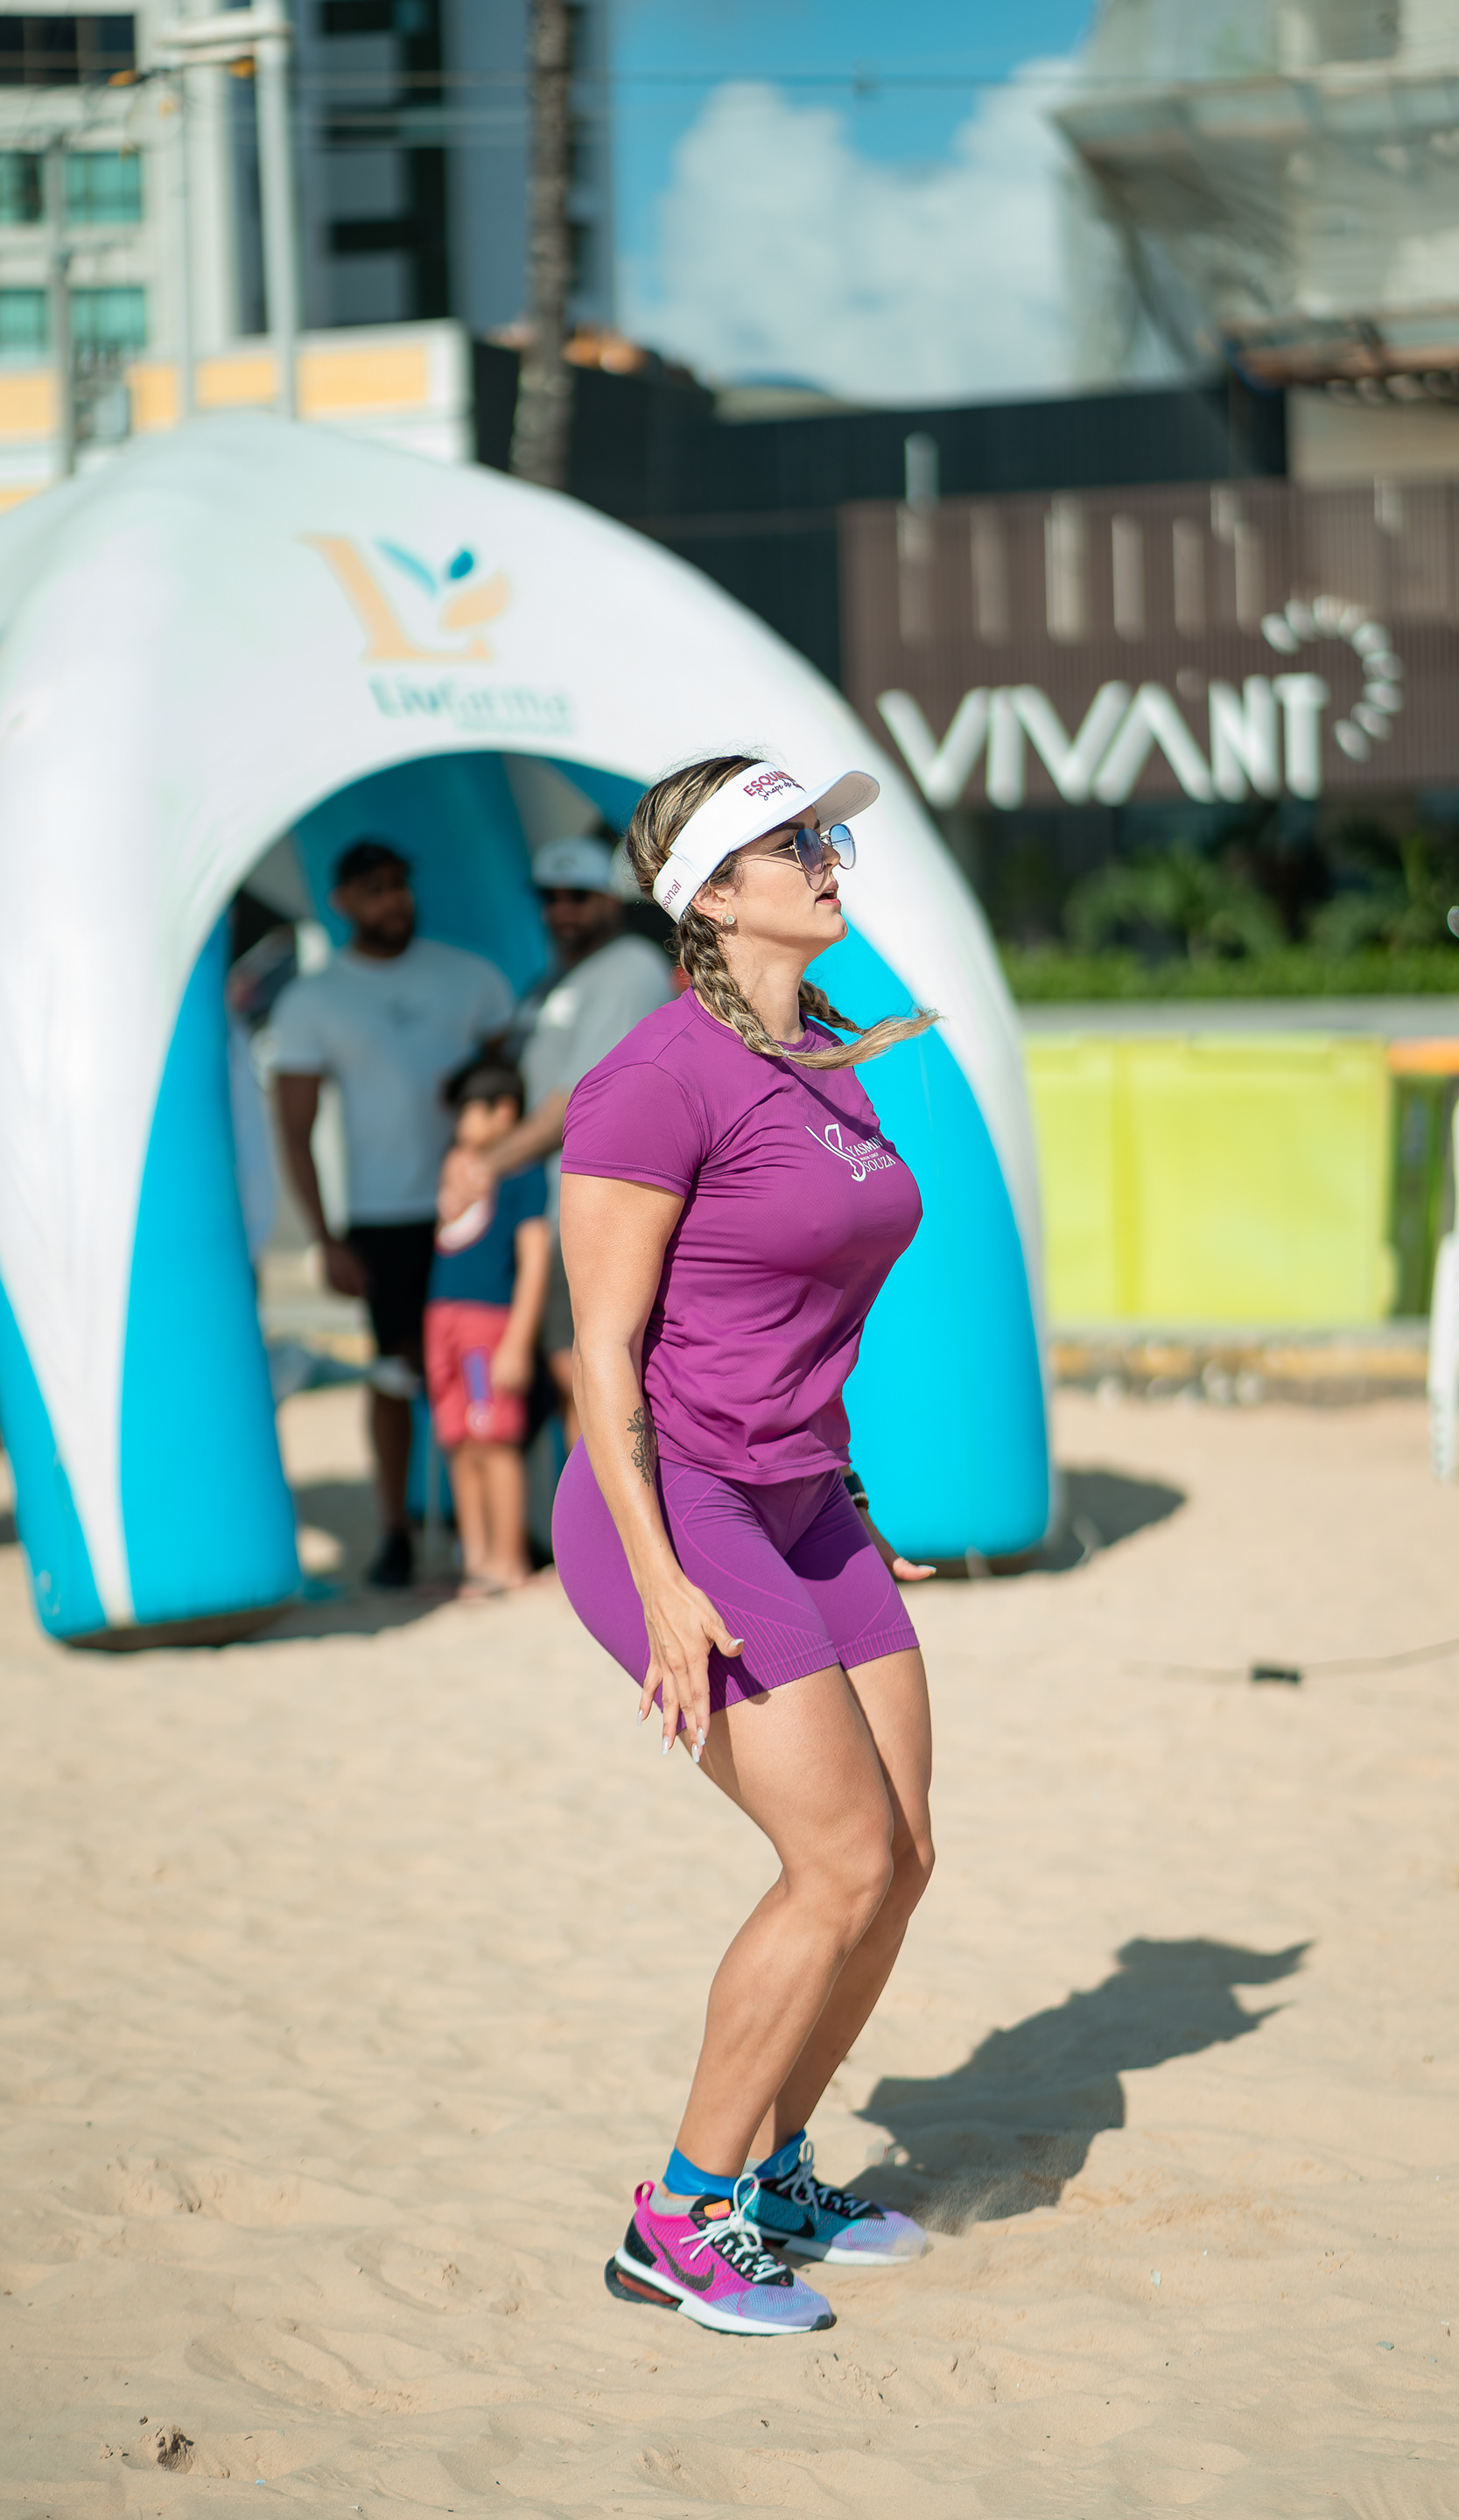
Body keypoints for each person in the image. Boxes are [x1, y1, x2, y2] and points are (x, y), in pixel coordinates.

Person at [551, 752, 941, 2338]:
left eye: (828, 832)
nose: (831, 856)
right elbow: (600, 1351)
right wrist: (662, 1582)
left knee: (902, 1858)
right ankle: (677, 2218)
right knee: (836, 1860)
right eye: (794, 842)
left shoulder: (825, 1057)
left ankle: (774, 2174)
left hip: (807, 1496)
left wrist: (849, 1498)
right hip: (678, 1502)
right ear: (713, 895)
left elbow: (799, 1314)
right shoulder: (655, 1076)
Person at [268, 839, 514, 1587]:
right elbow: (294, 1129)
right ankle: (396, 1533)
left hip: (473, 1207)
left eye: (400, 884)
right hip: (382, 1216)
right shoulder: (312, 1000)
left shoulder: (470, 977)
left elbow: (512, 1081)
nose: (393, 899)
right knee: (393, 1370)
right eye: (375, 888)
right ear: (341, 902)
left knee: (482, 1362)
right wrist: (325, 1238)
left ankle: (494, 1534)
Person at [445, 834, 673, 1449]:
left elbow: (580, 1100)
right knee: (543, 1384)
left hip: (597, 1214)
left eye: (579, 895)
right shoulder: (551, 982)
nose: (563, 909)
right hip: (549, 1216)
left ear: (610, 899)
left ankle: (600, 1511)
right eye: (551, 896)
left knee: (588, 1380)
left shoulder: (629, 967)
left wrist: (482, 1164)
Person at [425, 1063, 550, 1599]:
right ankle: (476, 1561)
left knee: (492, 1437)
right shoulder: (458, 1166)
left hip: (486, 1323)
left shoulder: (522, 1172)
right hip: (443, 1320)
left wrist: (518, 1341)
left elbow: (535, 1259)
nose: (458, 1122)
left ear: (504, 1112)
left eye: (469, 1110)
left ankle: (507, 1559)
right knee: (458, 1438)